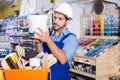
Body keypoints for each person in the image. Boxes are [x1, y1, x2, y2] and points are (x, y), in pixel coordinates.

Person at [34, 2, 79, 80]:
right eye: (55, 17)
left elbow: (63, 60)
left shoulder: (71, 39)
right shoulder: (49, 34)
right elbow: (40, 54)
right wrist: (37, 42)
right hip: (44, 77)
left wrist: (48, 40)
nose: (55, 21)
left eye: (60, 19)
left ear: (67, 21)